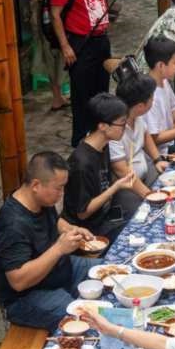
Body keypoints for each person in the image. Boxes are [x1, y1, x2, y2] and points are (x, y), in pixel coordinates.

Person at [0, 151, 100, 331]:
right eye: (59, 188)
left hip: (60, 270)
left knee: (108, 273)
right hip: (28, 297)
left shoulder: (41, 200)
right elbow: (18, 281)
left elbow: (55, 221)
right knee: (84, 320)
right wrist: (59, 249)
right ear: (36, 185)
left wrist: (71, 229)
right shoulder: (12, 225)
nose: (62, 194)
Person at [50, 0, 142, 146]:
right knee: (82, 93)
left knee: (101, 91)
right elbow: (55, 15)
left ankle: (100, 135)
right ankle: (80, 140)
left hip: (101, 40)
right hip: (79, 43)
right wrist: (65, 46)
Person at [63, 93, 139, 240]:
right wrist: (116, 187)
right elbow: (83, 213)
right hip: (88, 230)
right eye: (122, 123)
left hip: (105, 214)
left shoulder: (103, 145)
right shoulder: (82, 163)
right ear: (103, 126)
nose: (125, 128)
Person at [110, 68, 167, 198]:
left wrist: (157, 160)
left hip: (146, 174)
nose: (153, 100)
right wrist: (149, 196)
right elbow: (121, 171)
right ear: (141, 106)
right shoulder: (114, 129)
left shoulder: (136, 115)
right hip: (127, 189)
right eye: (152, 98)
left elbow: (145, 135)